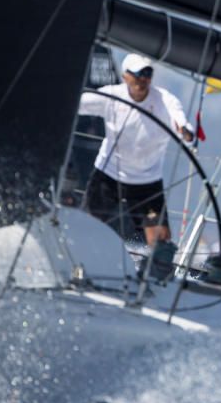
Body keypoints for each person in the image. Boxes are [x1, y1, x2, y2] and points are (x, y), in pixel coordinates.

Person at [78, 54, 194, 279]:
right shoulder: (112, 95)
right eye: (138, 74)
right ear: (125, 76)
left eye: (148, 74)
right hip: (108, 174)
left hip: (146, 181)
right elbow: (77, 101)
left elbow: (180, 120)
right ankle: (79, 265)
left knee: (160, 240)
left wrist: (185, 131)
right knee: (87, 225)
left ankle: (157, 279)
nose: (143, 79)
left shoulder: (164, 100)